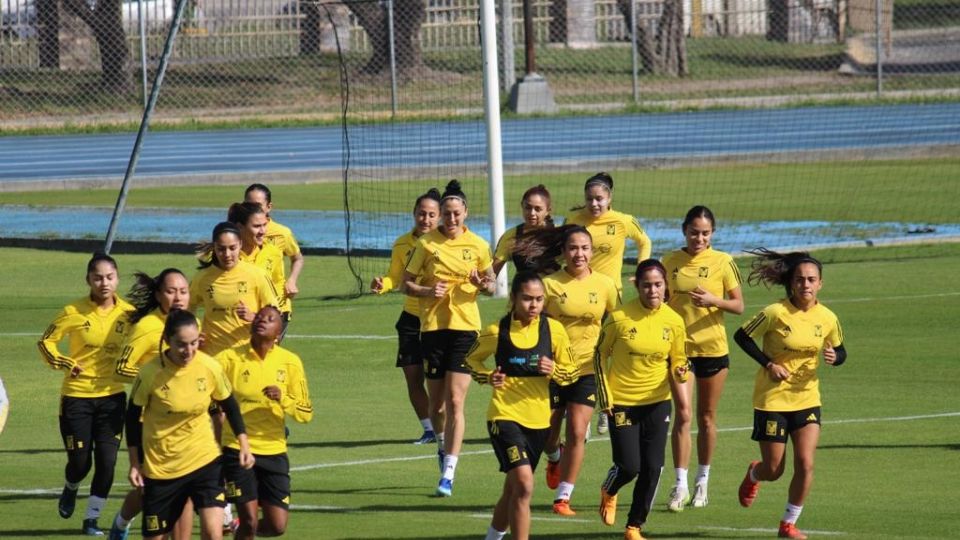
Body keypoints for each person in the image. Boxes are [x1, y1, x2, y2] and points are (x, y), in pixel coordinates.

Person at [734, 249, 846, 540]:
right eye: (800, 280)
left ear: (820, 284)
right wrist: (769, 364)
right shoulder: (775, 312)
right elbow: (742, 337)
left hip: (807, 399)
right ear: (791, 283)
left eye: (811, 280)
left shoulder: (828, 317)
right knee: (775, 469)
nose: (805, 285)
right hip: (771, 400)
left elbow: (841, 349)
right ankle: (755, 474)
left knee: (806, 464)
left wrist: (836, 355)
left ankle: (787, 525)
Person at [513, 225, 619, 516]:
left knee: (577, 430)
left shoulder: (606, 286)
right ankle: (554, 456)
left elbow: (617, 325)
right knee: (547, 432)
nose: (579, 254)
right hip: (552, 369)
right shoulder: (549, 286)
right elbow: (531, 324)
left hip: (587, 369)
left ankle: (563, 497)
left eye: (585, 248)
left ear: (592, 252)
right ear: (563, 251)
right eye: (573, 248)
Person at [466, 271, 578, 540]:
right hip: (504, 417)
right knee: (525, 485)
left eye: (539, 299)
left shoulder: (554, 330)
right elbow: (470, 360)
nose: (534, 305)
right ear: (514, 298)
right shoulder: (496, 331)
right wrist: (488, 377)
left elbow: (572, 371)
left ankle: (492, 537)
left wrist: (555, 371)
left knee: (513, 489)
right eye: (527, 299)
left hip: (540, 423)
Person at [402, 179, 496, 497]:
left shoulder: (479, 246)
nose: (452, 219)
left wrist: (482, 283)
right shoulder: (427, 244)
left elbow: (492, 285)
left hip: (466, 328)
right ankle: (441, 445)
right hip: (432, 329)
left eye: (457, 213)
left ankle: (449, 473)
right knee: (438, 405)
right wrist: (429, 290)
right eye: (447, 213)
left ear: (465, 212)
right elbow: (406, 283)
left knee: (457, 401)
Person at [126, 309, 255, 540]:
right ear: (167, 341)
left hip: (204, 460)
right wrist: (135, 464)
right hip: (162, 468)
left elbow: (230, 405)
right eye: (181, 344)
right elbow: (132, 418)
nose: (189, 351)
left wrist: (244, 443)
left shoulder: (209, 367)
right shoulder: (150, 374)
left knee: (214, 534)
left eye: (194, 343)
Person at [38, 252, 135, 536]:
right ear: (88, 280)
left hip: (113, 396)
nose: (104, 283)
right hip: (77, 397)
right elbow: (46, 343)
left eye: (109, 277)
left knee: (107, 461)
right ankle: (71, 487)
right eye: (97, 277)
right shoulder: (73, 312)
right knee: (80, 463)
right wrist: (66, 363)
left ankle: (91, 519)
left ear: (117, 278)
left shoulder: (129, 314)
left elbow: (148, 342)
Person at [594, 259, 689, 540]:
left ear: (665, 286)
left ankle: (634, 526)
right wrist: (605, 397)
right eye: (646, 285)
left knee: (653, 467)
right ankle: (609, 489)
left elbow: (679, 359)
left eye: (658, 284)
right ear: (638, 285)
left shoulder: (674, 321)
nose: (652, 290)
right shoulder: (619, 317)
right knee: (629, 467)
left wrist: (681, 372)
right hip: (622, 402)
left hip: (658, 402)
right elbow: (599, 354)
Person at [661, 206, 744, 511]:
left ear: (713, 234)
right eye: (694, 232)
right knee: (683, 414)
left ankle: (702, 482)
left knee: (706, 417)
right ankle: (680, 484)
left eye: (705, 233)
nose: (699, 238)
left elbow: (738, 306)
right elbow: (661, 300)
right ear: (684, 230)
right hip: (680, 351)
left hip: (712, 350)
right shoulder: (669, 261)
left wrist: (713, 300)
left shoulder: (723, 262)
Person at [564, 172, 651, 436]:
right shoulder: (573, 221)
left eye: (599, 199)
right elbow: (563, 252)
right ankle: (581, 411)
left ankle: (606, 407)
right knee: (579, 350)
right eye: (590, 199)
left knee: (610, 352)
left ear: (609, 198)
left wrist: (641, 269)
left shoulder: (623, 221)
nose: (594, 204)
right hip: (578, 297)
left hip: (610, 298)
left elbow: (644, 241)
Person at [109, 268, 193, 540]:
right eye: (170, 291)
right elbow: (120, 368)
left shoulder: (190, 325)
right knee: (152, 487)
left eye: (183, 291)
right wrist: (155, 382)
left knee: (179, 483)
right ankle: (122, 524)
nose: (178, 297)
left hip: (181, 421)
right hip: (148, 418)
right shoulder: (148, 326)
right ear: (158, 295)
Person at [216, 306, 313, 540]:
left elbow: (306, 412)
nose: (262, 321)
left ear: (279, 333)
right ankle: (243, 527)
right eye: (259, 317)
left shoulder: (290, 362)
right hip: (238, 449)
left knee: (277, 526)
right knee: (249, 522)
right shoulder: (229, 358)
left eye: (270, 319)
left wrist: (284, 399)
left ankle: (238, 528)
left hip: (274, 450)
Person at [371, 188, 442, 445]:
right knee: (413, 377)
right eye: (421, 213)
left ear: (440, 217)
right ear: (414, 214)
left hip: (438, 320)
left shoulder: (444, 243)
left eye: (432, 214)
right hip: (411, 318)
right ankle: (428, 429)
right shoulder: (402, 243)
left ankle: (444, 427)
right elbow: (396, 277)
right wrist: (383, 283)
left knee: (439, 381)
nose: (426, 219)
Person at [190, 221, 279, 356]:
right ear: (214, 247)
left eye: (232, 248)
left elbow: (275, 314)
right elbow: (187, 307)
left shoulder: (257, 275)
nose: (227, 254)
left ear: (240, 245)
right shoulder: (202, 278)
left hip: (245, 355)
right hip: (213, 355)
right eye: (221, 249)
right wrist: (192, 333)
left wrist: (254, 317)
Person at [244, 183, 305, 324]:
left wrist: (292, 280)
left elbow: (297, 258)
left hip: (278, 308)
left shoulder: (282, 233)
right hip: (246, 307)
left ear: (269, 207)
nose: (253, 209)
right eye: (248, 205)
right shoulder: (237, 232)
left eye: (258, 205)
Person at [228, 202, 292, 336]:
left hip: (264, 329)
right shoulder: (225, 257)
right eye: (257, 226)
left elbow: (277, 285)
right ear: (240, 227)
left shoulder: (273, 253)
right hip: (229, 331)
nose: (263, 231)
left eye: (264, 225)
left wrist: (275, 317)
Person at [492, 185, 559, 277]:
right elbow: (492, 274)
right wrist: (485, 284)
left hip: (555, 291)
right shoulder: (511, 236)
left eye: (538, 209)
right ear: (522, 206)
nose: (532, 213)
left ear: (548, 210)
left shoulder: (559, 233)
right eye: (528, 207)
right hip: (525, 290)